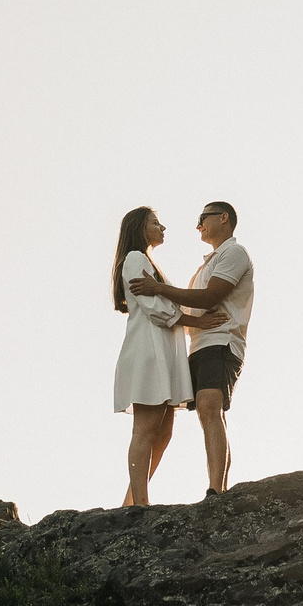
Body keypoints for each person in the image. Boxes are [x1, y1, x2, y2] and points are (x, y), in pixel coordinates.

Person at [127, 200, 252, 496]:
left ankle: (216, 490)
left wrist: (159, 288)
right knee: (178, 421)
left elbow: (210, 297)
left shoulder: (234, 253)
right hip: (197, 347)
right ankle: (133, 498)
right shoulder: (206, 264)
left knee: (211, 407)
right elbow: (184, 308)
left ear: (223, 218)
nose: (198, 225)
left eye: (202, 218)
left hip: (221, 342)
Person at [109, 205, 192, 505]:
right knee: (145, 429)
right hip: (148, 351)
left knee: (164, 431)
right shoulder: (134, 259)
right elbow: (156, 309)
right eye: (156, 223)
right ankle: (139, 504)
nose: (163, 228)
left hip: (164, 352)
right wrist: (195, 322)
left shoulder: (150, 263)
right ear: (140, 228)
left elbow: (167, 305)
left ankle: (131, 499)